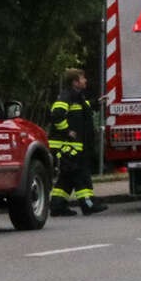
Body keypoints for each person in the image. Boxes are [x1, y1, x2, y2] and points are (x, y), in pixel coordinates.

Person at [47, 67, 102, 217]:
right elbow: (57, 114)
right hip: (67, 146)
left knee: (66, 177)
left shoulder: (77, 97)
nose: (85, 81)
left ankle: (57, 206)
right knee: (81, 175)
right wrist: (67, 132)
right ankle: (88, 204)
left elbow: (82, 109)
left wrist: (96, 102)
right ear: (75, 82)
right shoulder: (66, 96)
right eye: (82, 78)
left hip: (74, 146)